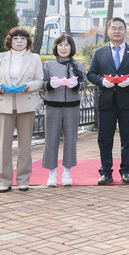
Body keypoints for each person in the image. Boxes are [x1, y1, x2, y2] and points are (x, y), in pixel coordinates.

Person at [88, 17, 129, 185]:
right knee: (105, 139)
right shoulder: (99, 53)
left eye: (120, 28)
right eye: (114, 28)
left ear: (125, 31)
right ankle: (105, 172)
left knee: (127, 139)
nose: (117, 31)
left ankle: (126, 171)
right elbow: (91, 74)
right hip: (106, 102)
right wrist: (101, 81)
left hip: (127, 102)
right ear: (108, 31)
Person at [0, 27, 43, 192]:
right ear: (9, 41)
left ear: (28, 41)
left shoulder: (34, 58)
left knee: (25, 145)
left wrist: (29, 86)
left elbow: (39, 81)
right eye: (16, 38)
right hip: (4, 104)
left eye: (23, 38)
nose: (19, 41)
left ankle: (23, 179)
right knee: (4, 145)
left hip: (26, 104)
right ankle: (4, 180)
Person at [42, 33, 86, 187]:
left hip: (72, 106)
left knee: (71, 139)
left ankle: (67, 173)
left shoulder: (78, 65)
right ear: (56, 47)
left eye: (66, 45)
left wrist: (76, 85)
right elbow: (42, 83)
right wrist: (50, 85)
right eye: (60, 45)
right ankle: (51, 174)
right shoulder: (48, 65)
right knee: (51, 139)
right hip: (53, 106)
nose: (63, 48)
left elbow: (84, 83)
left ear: (71, 47)